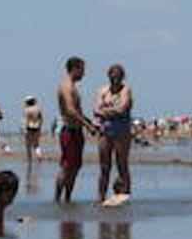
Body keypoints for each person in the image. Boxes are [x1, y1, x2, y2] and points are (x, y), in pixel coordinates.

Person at [55, 56, 99, 203]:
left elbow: (77, 111)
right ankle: (57, 199)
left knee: (75, 167)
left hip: (76, 130)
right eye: (82, 70)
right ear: (75, 69)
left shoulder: (72, 86)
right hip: (69, 130)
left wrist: (89, 122)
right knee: (67, 167)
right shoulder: (66, 86)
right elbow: (70, 110)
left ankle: (67, 199)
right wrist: (87, 126)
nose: (84, 74)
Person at [94, 63, 134, 204]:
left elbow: (122, 109)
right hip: (105, 130)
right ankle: (101, 198)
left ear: (122, 77)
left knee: (122, 164)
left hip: (122, 131)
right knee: (104, 166)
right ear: (108, 76)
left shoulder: (126, 90)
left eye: (117, 77)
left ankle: (125, 195)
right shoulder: (102, 90)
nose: (115, 79)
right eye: (112, 77)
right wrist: (110, 110)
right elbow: (96, 110)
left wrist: (106, 110)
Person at [22, 96, 44, 173]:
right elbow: (41, 119)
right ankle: (39, 156)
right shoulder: (38, 109)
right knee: (36, 144)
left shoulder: (27, 110)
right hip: (37, 127)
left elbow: (26, 120)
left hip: (29, 127)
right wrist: (40, 127)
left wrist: (24, 129)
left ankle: (29, 160)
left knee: (28, 145)